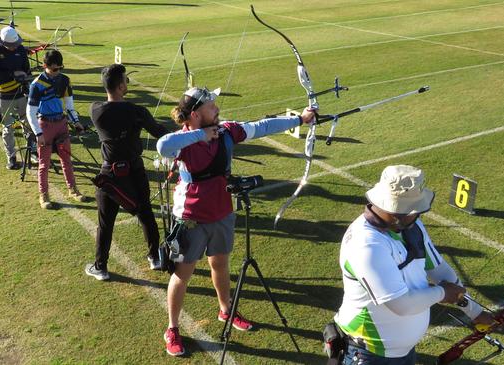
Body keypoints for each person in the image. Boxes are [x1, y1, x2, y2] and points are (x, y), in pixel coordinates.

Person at [156, 87, 316, 356]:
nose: (217, 110)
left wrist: (300, 119)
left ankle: (226, 311)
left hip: (222, 212)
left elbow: (261, 126)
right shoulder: (183, 140)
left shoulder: (226, 131)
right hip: (191, 217)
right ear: (195, 114)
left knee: (220, 264)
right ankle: (172, 328)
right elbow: (163, 145)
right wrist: (201, 134)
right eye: (211, 107)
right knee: (182, 275)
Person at [334, 165, 495, 365]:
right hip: (368, 355)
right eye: (414, 210)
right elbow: (401, 304)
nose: (418, 214)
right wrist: (443, 293)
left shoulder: (410, 225)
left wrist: (474, 311)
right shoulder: (366, 244)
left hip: (403, 353)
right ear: (396, 211)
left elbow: (440, 270)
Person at [84, 64, 169, 281]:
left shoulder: (96, 110)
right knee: (146, 213)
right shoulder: (137, 112)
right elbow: (160, 132)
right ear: (121, 86)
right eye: (126, 82)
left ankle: (100, 267)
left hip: (111, 176)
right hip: (134, 172)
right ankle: (155, 258)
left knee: (106, 222)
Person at [26, 49, 88, 209]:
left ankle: (73, 190)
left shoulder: (65, 80)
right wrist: (37, 133)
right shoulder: (36, 85)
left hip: (61, 123)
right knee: (44, 163)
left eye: (60, 68)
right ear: (44, 66)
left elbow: (69, 105)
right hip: (44, 125)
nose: (57, 72)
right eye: (54, 69)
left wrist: (76, 122)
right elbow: (30, 112)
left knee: (66, 159)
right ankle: (44, 195)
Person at [0, 26, 30, 170]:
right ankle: (11, 156)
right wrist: (13, 74)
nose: (13, 48)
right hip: (4, 95)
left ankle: (33, 150)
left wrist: (23, 80)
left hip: (21, 93)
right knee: (8, 127)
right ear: (2, 42)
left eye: (15, 45)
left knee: (28, 123)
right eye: (10, 46)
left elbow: (26, 69)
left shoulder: (21, 49)